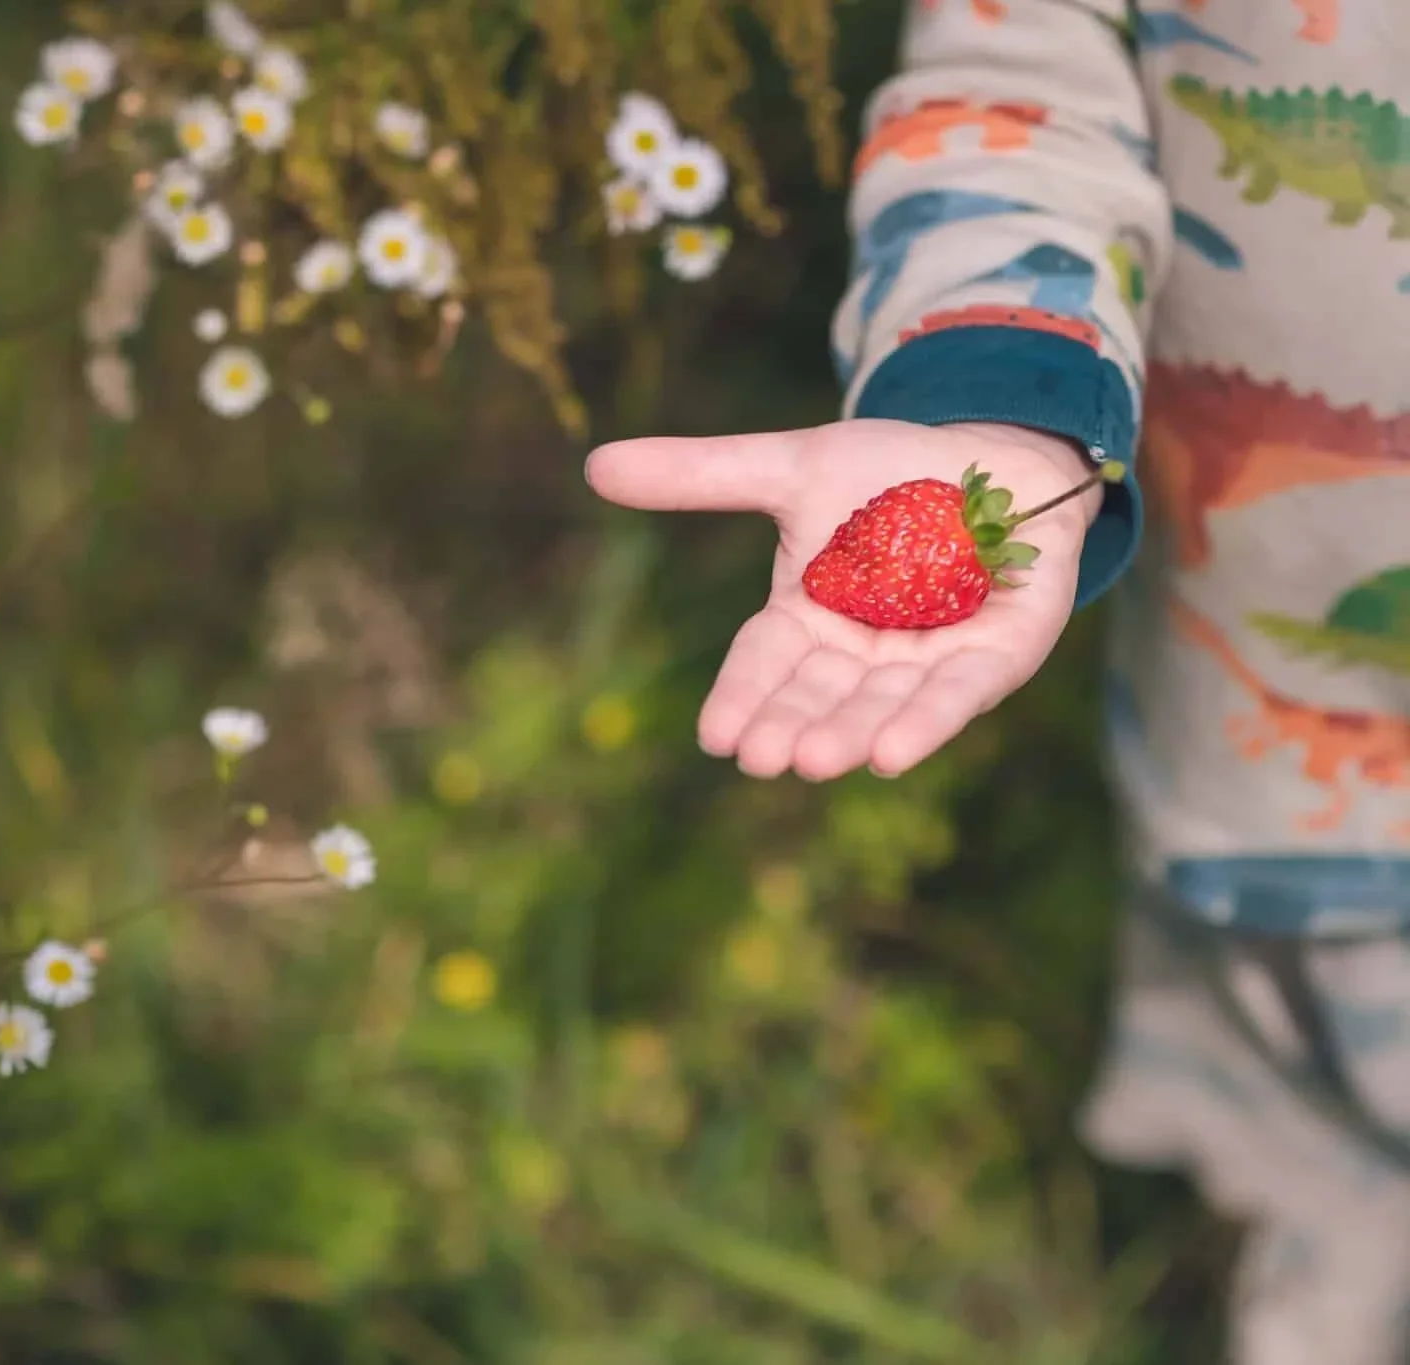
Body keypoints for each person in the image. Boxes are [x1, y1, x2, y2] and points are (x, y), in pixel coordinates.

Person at [585, 1, 1410, 1359]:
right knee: (1314, 1060)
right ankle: (1334, 1237)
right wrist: (995, 397)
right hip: (1278, 710)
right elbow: (1018, 71)